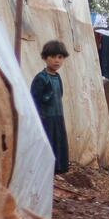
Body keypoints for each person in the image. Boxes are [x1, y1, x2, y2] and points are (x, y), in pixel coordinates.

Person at [30, 40, 70, 174]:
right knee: (46, 147)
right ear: (44, 58)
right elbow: (34, 101)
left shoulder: (57, 77)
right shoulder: (41, 78)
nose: (56, 61)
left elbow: (60, 95)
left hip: (57, 118)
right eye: (52, 57)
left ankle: (55, 170)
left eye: (60, 57)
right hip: (45, 119)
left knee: (57, 145)